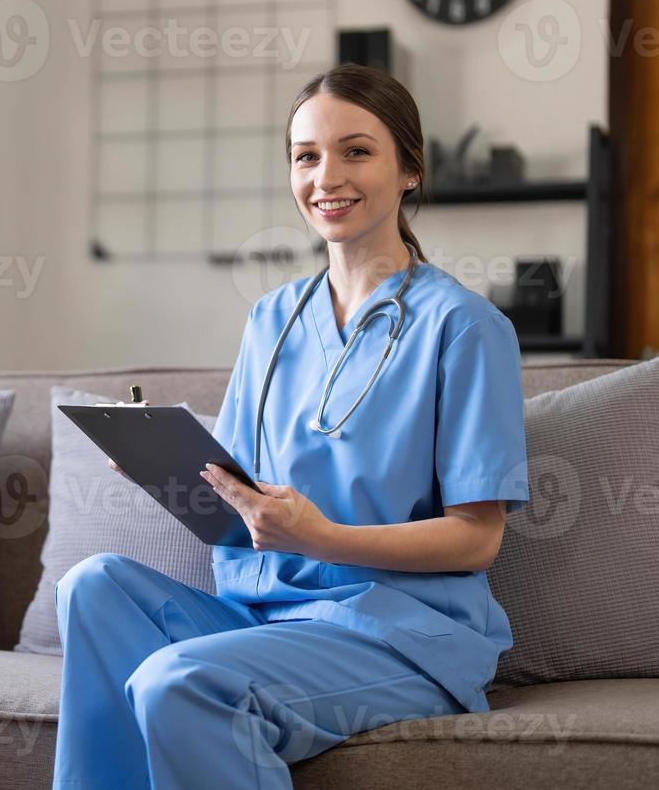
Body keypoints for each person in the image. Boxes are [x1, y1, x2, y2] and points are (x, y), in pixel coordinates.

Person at [52, 64, 531, 789]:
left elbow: (478, 536)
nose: (325, 176)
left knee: (177, 682)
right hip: (261, 616)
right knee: (90, 585)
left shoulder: (464, 328)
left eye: (357, 151)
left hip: (396, 634)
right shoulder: (272, 319)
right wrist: (168, 468)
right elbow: (239, 503)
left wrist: (322, 539)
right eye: (306, 156)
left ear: (409, 171)